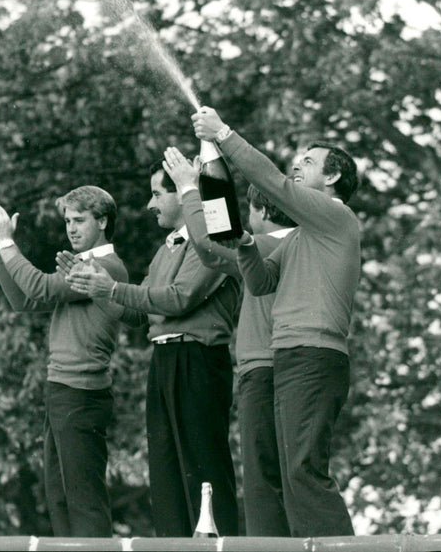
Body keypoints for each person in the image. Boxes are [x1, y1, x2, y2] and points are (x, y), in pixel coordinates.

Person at [192, 107, 360, 536]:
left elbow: (274, 183)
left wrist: (224, 135)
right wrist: (247, 243)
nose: (296, 166)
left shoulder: (335, 217)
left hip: (314, 355)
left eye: (308, 161)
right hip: (290, 356)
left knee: (303, 469)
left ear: (334, 178)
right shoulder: (303, 235)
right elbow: (263, 281)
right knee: (292, 473)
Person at [61, 162, 241, 537]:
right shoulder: (167, 249)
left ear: (183, 194)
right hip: (165, 360)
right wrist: (93, 286)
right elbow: (137, 313)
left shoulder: (212, 241)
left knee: (203, 465)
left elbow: (178, 299)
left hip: (199, 360)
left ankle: (218, 545)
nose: (150, 204)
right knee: (165, 468)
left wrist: (109, 288)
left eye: (158, 194)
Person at [0, 186, 128, 537]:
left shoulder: (104, 267)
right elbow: (24, 301)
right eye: (68, 221)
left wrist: (8, 244)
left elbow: (40, 288)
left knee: (83, 503)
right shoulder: (81, 264)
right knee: (59, 499)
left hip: (81, 394)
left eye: (79, 220)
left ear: (102, 221)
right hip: (63, 391)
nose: (71, 228)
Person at [161, 147, 295, 536]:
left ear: (265, 213)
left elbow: (209, 244)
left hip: (264, 369)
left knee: (262, 482)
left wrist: (189, 187)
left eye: (251, 213)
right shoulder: (292, 246)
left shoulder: (273, 245)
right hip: (273, 368)